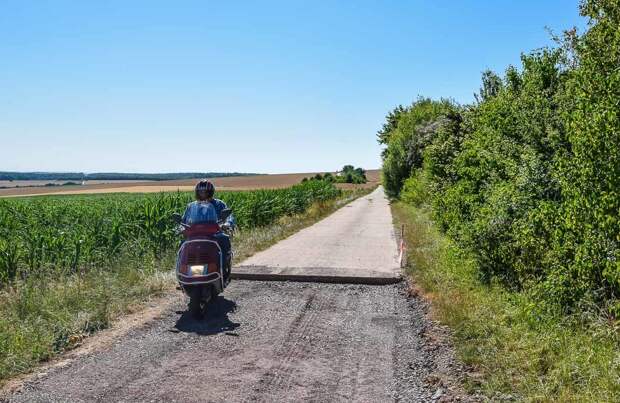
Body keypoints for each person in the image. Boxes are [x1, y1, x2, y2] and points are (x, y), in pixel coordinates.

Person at [181, 180, 235, 279]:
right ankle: (183, 274)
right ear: (197, 192)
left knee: (224, 239)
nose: (203, 194)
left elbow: (229, 216)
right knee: (183, 244)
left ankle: (223, 268)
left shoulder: (219, 204)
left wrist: (227, 223)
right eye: (200, 191)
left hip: (214, 234)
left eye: (205, 191)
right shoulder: (191, 206)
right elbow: (184, 219)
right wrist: (180, 227)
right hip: (195, 235)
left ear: (210, 192)